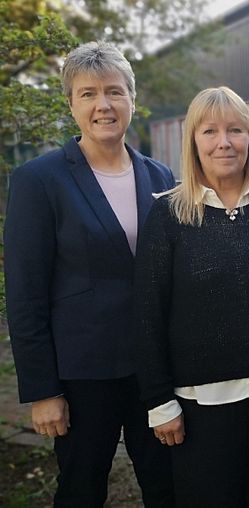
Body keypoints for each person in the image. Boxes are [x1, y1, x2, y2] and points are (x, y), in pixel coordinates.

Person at [4, 41, 175, 507]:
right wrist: (43, 391)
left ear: (132, 101)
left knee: (169, 487)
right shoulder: (39, 181)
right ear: (71, 104)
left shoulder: (163, 179)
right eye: (88, 94)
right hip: (82, 381)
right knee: (81, 490)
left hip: (153, 374)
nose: (103, 105)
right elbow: (25, 294)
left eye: (115, 92)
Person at [133, 86, 249, 507]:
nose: (224, 142)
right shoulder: (168, 216)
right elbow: (147, 315)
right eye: (211, 131)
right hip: (200, 408)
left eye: (235, 130)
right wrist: (160, 402)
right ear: (193, 140)